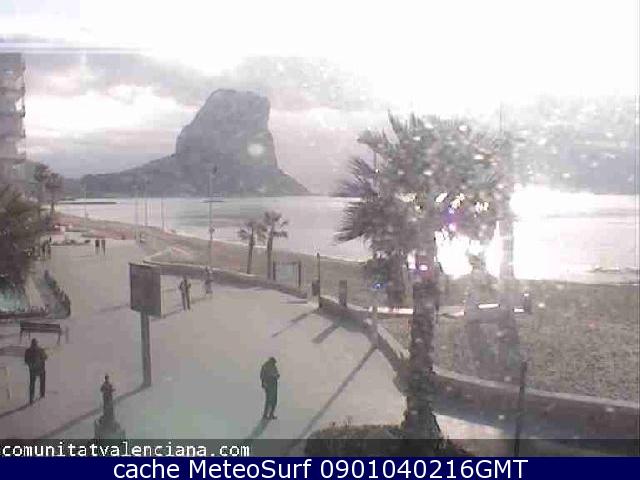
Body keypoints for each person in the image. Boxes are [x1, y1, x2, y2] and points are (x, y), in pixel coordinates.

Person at [24, 338, 48, 404]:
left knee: (32, 383)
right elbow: (46, 357)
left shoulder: (28, 351)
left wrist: (30, 364)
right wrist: (41, 359)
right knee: (41, 381)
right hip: (40, 369)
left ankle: (32, 397)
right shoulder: (40, 350)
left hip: (34, 370)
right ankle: (42, 393)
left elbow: (26, 360)